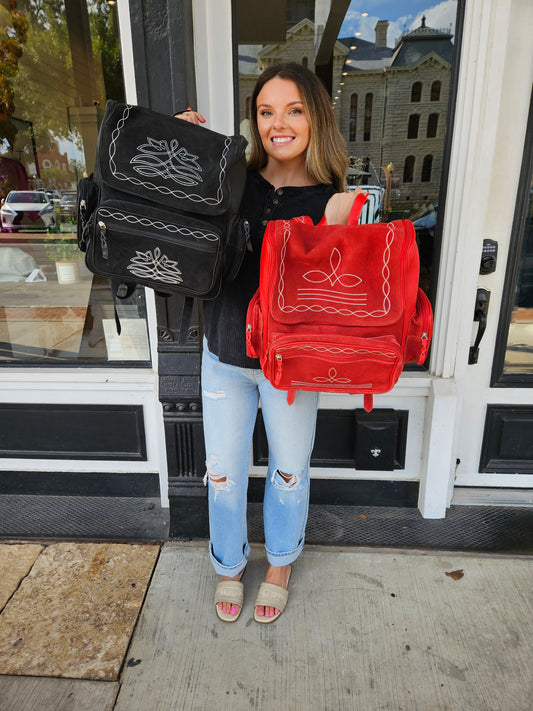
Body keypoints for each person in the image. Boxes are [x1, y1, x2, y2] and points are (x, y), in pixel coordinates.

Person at [177, 63, 359, 623]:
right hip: (226, 351)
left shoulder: (336, 201)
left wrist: (337, 229)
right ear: (255, 120)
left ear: (315, 118)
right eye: (266, 111)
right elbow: (182, 233)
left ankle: (278, 563)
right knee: (225, 472)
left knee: (287, 468)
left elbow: (340, 300)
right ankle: (229, 565)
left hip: (292, 365)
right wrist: (185, 150)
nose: (278, 123)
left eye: (294, 110)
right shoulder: (232, 178)